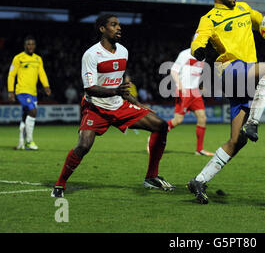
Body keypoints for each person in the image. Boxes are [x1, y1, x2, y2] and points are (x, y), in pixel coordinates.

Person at [51, 14, 175, 198]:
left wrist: (138, 103)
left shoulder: (123, 51)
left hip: (119, 105)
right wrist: (116, 92)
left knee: (160, 125)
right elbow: (90, 88)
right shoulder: (91, 54)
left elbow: (122, 88)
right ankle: (60, 184)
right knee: (84, 145)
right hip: (96, 108)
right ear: (102, 29)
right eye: (113, 25)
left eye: (119, 25)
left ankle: (151, 177)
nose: (119, 28)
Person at [186, 0, 265, 204]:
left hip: (246, 78)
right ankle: (254, 122)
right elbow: (197, 41)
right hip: (230, 69)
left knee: (237, 140)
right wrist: (199, 51)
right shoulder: (209, 18)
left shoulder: (245, 9)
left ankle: (199, 180)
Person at [7, 35, 51, 150]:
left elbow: (42, 73)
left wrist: (46, 86)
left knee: (25, 116)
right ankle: (29, 141)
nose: (30, 46)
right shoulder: (18, 58)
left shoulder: (38, 59)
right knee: (33, 111)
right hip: (21, 91)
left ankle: (21, 142)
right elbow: (11, 75)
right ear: (24, 45)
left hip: (33, 92)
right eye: (28, 44)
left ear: (35, 46)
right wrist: (10, 91)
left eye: (32, 44)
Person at [168, 47, 214, 156]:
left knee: (202, 118)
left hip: (195, 92)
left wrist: (201, 87)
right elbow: (174, 70)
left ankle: (199, 150)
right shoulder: (184, 54)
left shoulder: (202, 56)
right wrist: (179, 85)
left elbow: (197, 74)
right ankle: (155, 135)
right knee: (178, 120)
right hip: (184, 90)